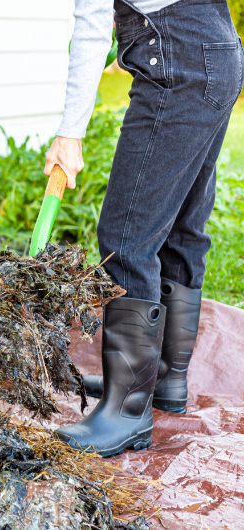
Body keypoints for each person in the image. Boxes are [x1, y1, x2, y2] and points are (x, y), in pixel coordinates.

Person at [47, 0, 244, 457]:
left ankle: (126, 412)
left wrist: (70, 133)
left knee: (126, 238)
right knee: (181, 226)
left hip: (175, 60)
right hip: (217, 50)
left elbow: (94, 22)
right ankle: (164, 379)